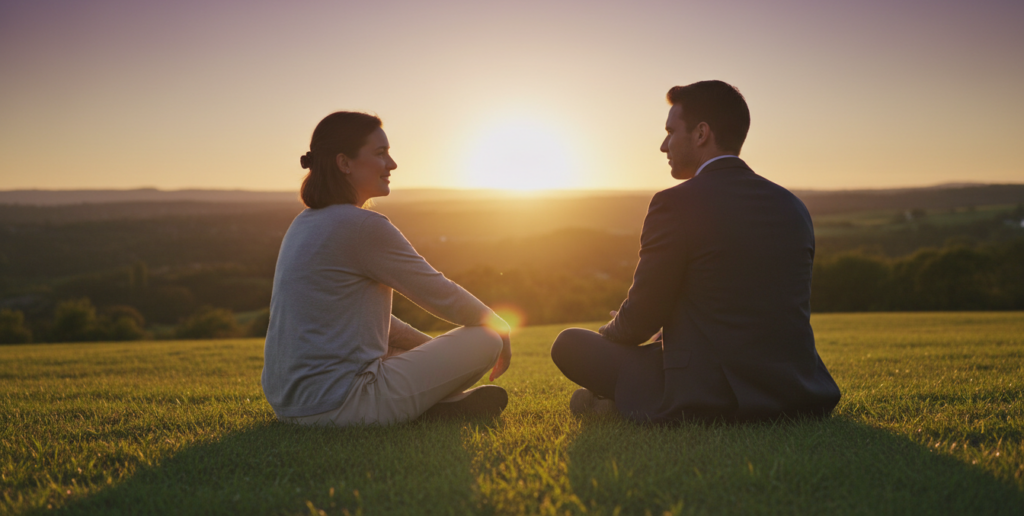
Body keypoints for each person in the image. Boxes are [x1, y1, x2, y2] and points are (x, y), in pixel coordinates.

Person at [550, 81, 841, 423]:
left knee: (568, 343)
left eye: (671, 131)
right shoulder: (793, 206)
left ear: (701, 133)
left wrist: (610, 331)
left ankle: (614, 402)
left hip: (709, 392)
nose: (663, 145)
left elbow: (638, 321)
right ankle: (613, 400)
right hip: (796, 388)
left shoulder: (674, 203)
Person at [262, 111, 512, 427]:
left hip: (292, 406)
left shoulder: (305, 223)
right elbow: (438, 292)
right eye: (380, 154)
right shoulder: (361, 225)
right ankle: (432, 403)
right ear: (344, 164)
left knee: (390, 345)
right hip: (341, 403)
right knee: (486, 338)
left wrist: (436, 355)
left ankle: (438, 402)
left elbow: (363, 320)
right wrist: (499, 328)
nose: (391, 164)